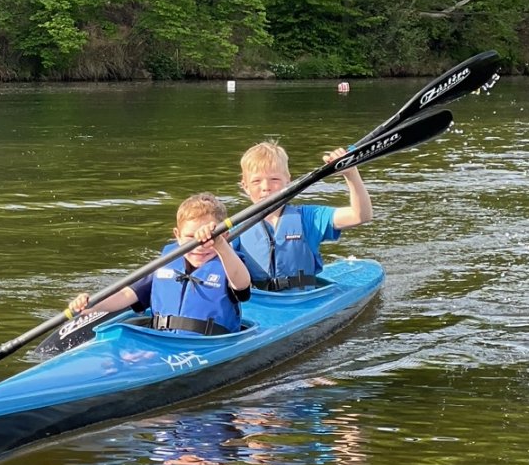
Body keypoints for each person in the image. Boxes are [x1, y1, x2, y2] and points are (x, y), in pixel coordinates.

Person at [70, 192, 253, 335]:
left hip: (209, 344)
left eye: (209, 238)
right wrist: (93, 305)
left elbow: (242, 285)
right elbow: (126, 295)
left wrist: (219, 244)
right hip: (161, 341)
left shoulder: (230, 263)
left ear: (224, 236)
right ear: (177, 235)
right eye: (190, 237)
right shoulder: (166, 262)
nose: (199, 246)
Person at [234, 138, 372, 290]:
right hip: (256, 299)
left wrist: (351, 173)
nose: (266, 187)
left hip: (302, 298)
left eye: (274, 179)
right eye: (256, 181)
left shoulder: (308, 218)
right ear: (245, 186)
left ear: (288, 181)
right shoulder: (236, 229)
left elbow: (360, 215)